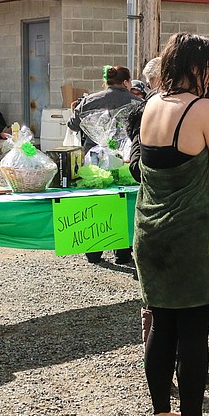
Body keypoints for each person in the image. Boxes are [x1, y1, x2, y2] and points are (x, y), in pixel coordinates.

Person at [134, 33, 209, 416]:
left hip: (151, 233)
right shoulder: (204, 108)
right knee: (194, 331)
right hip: (194, 237)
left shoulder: (151, 106)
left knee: (162, 325)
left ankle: (162, 412)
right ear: (193, 67)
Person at [68, 64, 140, 265]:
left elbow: (72, 125)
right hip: (124, 160)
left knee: (95, 202)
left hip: (94, 161)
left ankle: (93, 251)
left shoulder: (89, 101)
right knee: (124, 202)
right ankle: (123, 253)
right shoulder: (138, 102)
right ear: (126, 82)